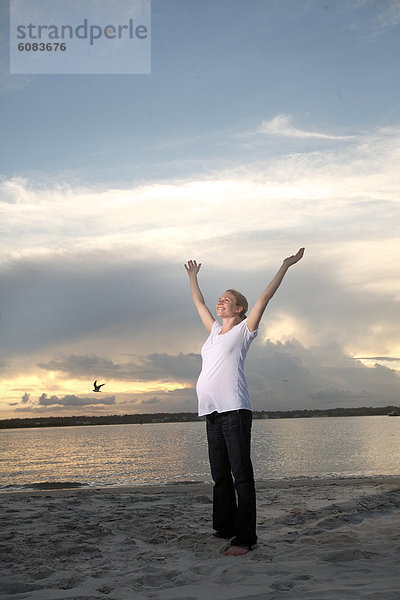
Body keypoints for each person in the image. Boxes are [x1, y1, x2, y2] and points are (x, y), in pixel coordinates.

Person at [184, 248, 305, 556]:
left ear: (238, 309)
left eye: (226, 299)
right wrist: (193, 277)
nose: (219, 301)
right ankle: (224, 529)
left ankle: (245, 538)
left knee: (241, 475)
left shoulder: (243, 331)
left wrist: (284, 266)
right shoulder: (213, 331)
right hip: (211, 412)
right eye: (219, 298)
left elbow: (264, 299)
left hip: (235, 410)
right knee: (220, 476)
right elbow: (198, 302)